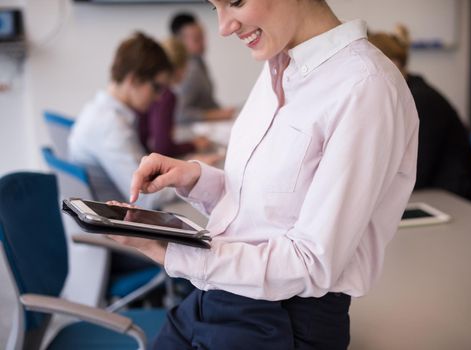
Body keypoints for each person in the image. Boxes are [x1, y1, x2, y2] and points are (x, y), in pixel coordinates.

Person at [108, 1, 419, 349]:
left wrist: (168, 250)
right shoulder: (278, 67)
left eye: (236, 2)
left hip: (283, 319)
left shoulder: (366, 86)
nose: (224, 27)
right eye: (216, 8)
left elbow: (312, 263)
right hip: (219, 295)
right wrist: (196, 179)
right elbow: (267, 213)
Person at [368, 25, 471, 203]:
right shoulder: (401, 94)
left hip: (453, 195)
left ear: (394, 63)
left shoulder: (422, 101)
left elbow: (418, 171)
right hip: (431, 185)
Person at [68, 32, 178, 210]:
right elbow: (145, 198)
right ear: (133, 80)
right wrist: (190, 178)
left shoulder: (96, 110)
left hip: (109, 219)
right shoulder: (110, 126)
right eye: (157, 87)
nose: (158, 98)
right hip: (117, 228)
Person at [137, 37, 213, 158]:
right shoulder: (165, 95)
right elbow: (163, 149)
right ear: (179, 69)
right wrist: (193, 145)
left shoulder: (153, 90)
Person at [170, 12, 236, 124]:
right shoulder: (189, 71)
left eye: (203, 37)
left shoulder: (199, 62)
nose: (203, 43)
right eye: (197, 39)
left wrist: (223, 111)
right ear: (179, 42)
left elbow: (207, 102)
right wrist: (217, 115)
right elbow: (179, 114)